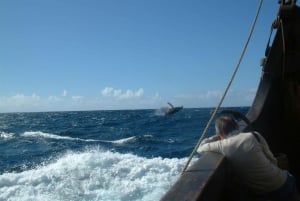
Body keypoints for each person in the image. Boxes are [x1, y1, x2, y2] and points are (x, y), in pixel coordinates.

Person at [197, 116, 299, 201]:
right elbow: (272, 159)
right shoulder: (254, 135)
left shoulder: (222, 145)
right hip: (283, 182)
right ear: (236, 126)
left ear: (220, 134)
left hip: (262, 194)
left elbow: (200, 147)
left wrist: (214, 137)